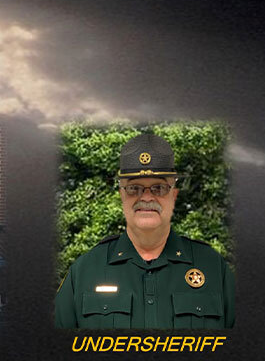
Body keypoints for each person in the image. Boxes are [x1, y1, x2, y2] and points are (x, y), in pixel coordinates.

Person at [54, 132, 234, 329]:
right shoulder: (85, 271)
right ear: (121, 195)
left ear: (174, 195)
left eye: (158, 188)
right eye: (134, 188)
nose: (147, 197)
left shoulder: (214, 268)